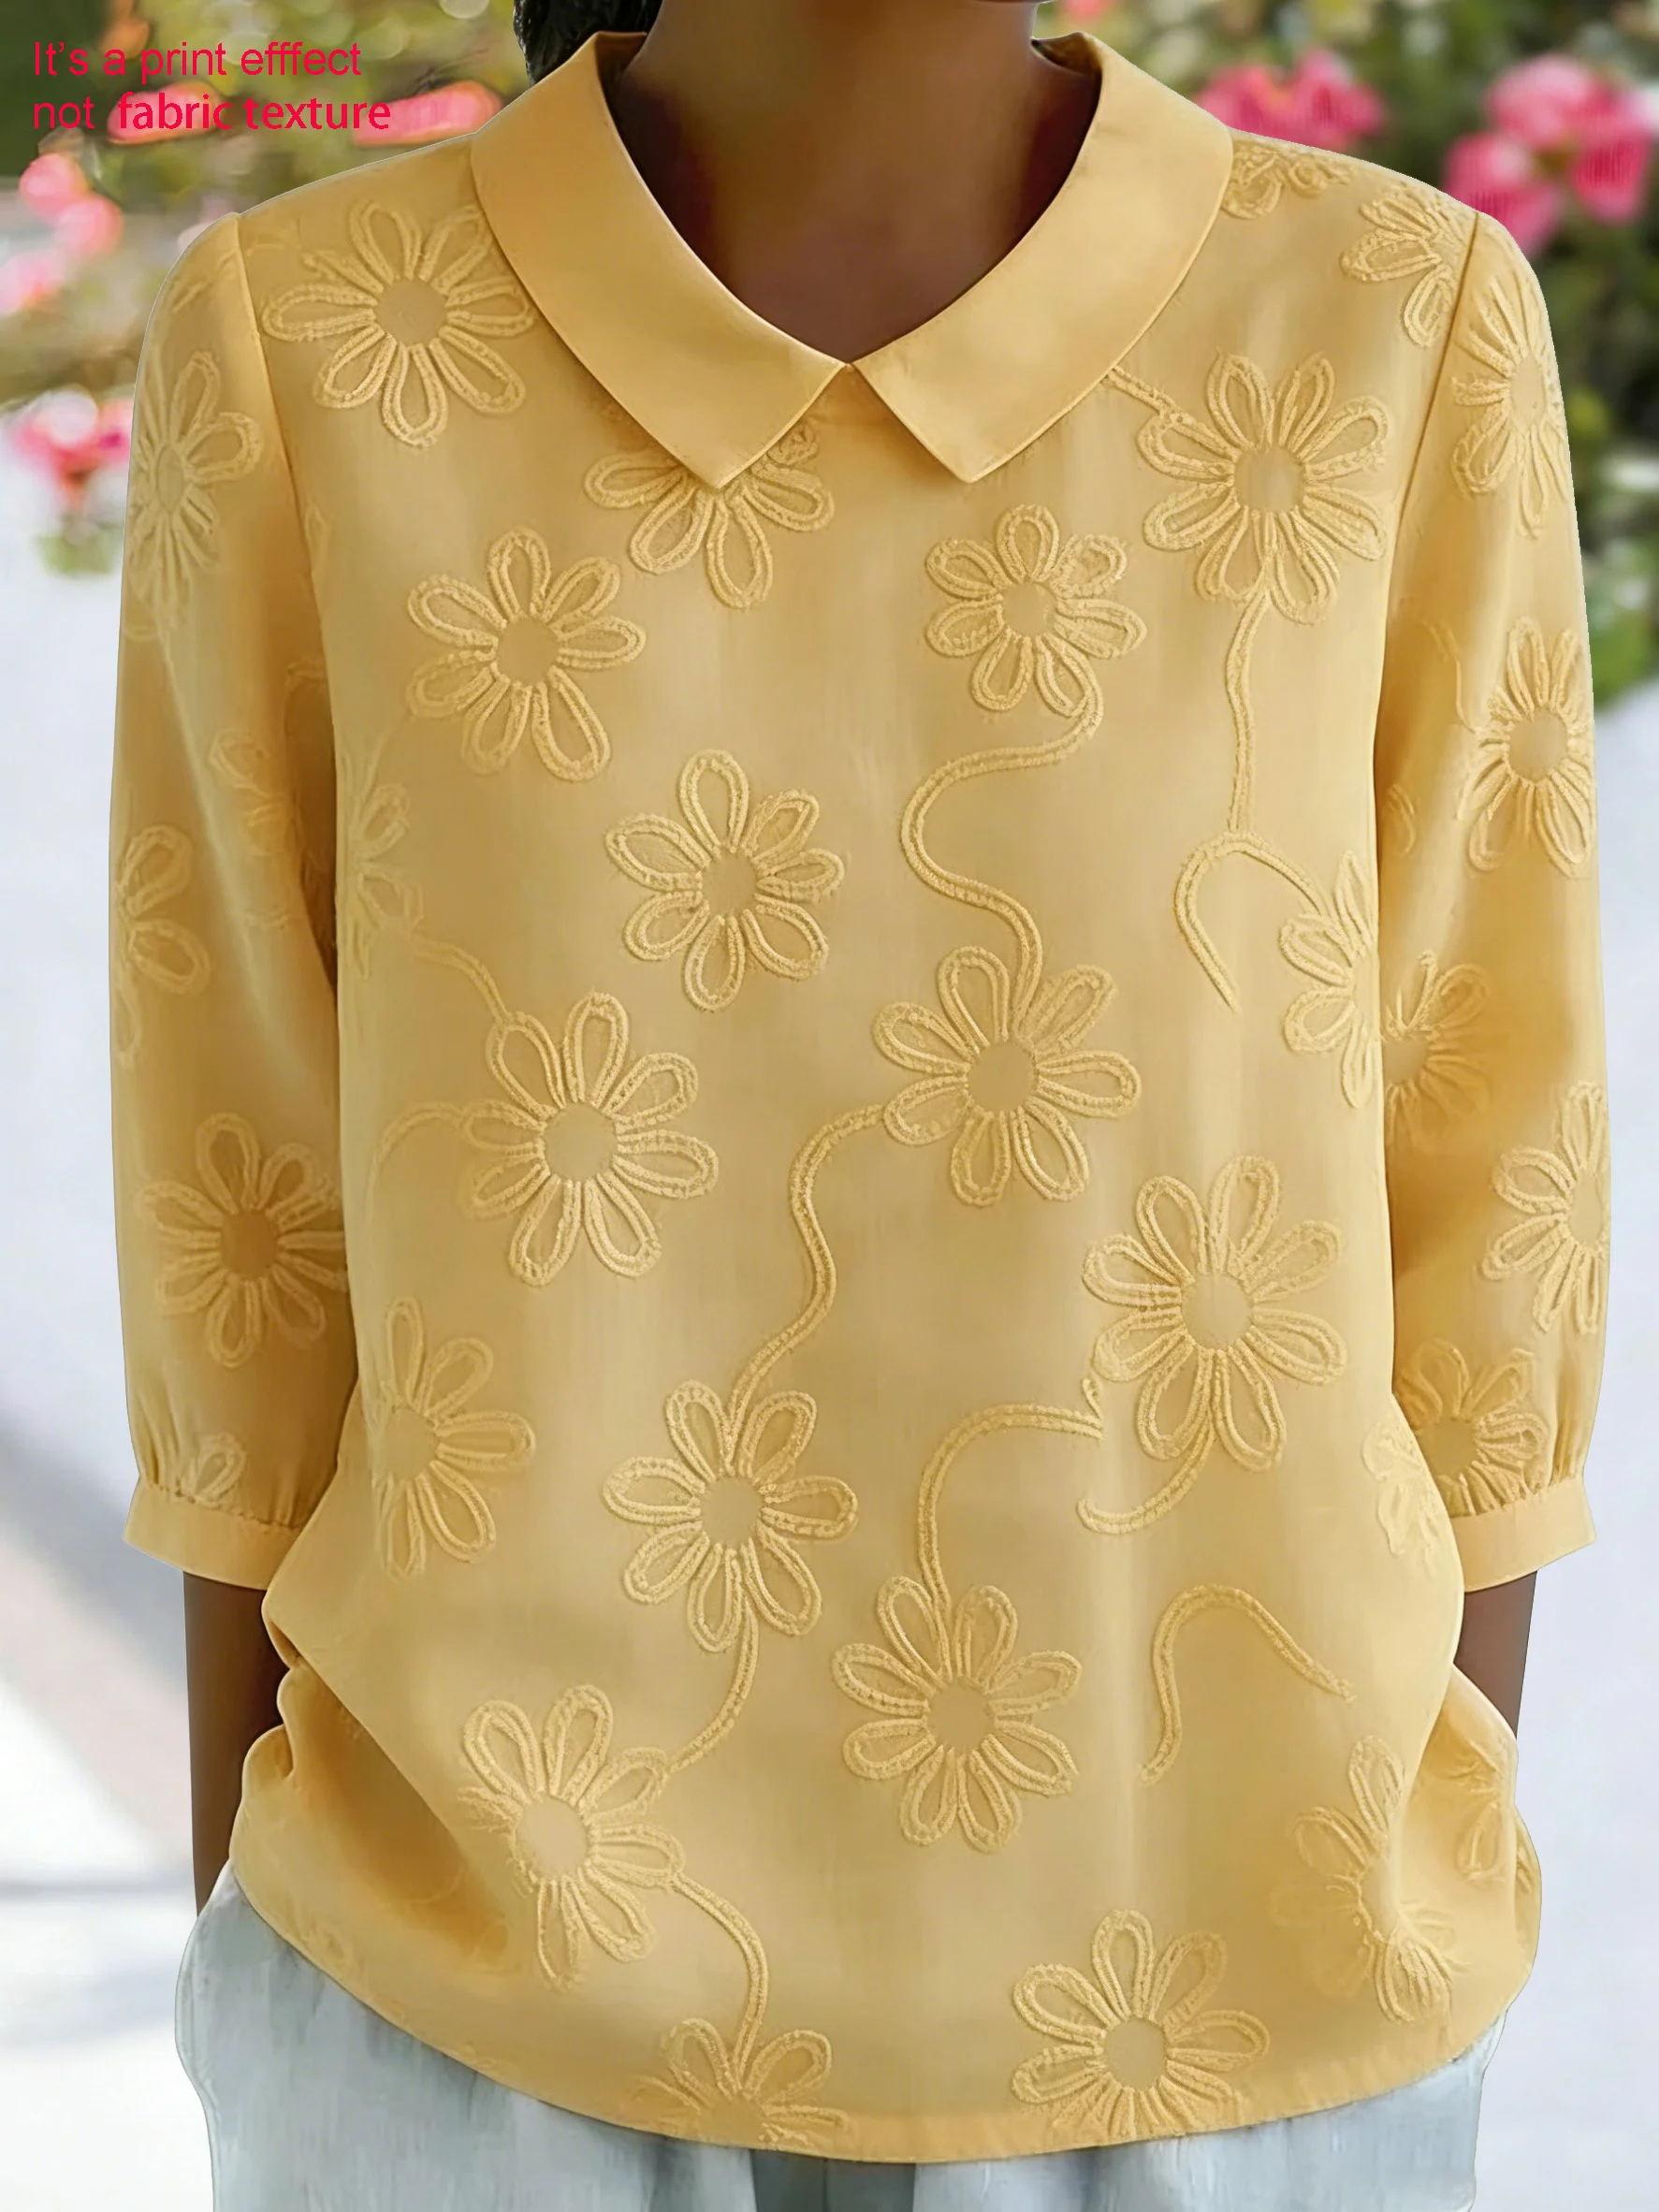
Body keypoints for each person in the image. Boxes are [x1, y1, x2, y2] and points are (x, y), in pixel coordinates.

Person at [109, 2, 1609, 2206]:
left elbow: (1490, 1179)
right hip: (456, 2030)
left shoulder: (1386, 319)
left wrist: (1396, 1849)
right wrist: (274, 1999)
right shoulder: (307, 337)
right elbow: (241, 1231)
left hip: (1248, 2018)